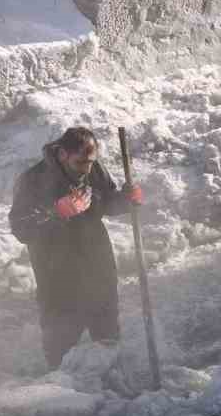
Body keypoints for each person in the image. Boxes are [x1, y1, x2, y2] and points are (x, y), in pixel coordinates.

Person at [9, 125, 145, 369]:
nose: (88, 168)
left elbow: (107, 202)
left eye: (92, 161)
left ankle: (112, 387)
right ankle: (62, 396)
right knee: (61, 346)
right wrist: (56, 212)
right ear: (62, 154)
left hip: (97, 265)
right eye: (81, 162)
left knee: (107, 338)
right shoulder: (33, 180)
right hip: (57, 274)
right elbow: (21, 227)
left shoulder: (93, 170)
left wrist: (126, 200)